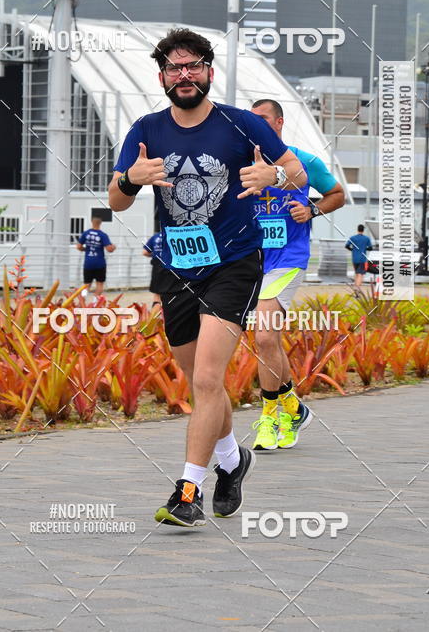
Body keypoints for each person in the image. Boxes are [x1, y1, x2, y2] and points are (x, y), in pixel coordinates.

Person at [108, 27, 306, 527]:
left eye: (194, 65)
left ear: (209, 73)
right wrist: (132, 178)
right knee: (198, 383)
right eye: (176, 68)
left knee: (208, 377)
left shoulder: (241, 125)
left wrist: (273, 177)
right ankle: (233, 461)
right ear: (162, 78)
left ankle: (188, 490)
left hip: (235, 262)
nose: (185, 75)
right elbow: (116, 198)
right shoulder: (147, 128)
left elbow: (297, 171)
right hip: (176, 264)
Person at [249, 99, 345, 451]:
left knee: (262, 337)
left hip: (288, 259)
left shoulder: (304, 161)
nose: (255, 125)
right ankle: (293, 408)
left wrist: (311, 209)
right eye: (250, 120)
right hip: (251, 263)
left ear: (278, 123)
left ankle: (269, 418)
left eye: (262, 120)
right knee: (268, 341)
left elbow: (337, 194)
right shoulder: (240, 163)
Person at [75, 216, 116, 297]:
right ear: (100, 223)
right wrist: (114, 247)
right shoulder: (102, 235)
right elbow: (109, 249)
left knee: (86, 285)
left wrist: (85, 249)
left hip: (88, 263)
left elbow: (78, 246)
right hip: (99, 263)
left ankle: (83, 302)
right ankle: (95, 302)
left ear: (92, 222)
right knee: (100, 284)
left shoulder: (85, 233)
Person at [345, 224, 373, 296]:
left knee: (357, 273)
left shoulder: (352, 238)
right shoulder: (366, 238)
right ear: (363, 230)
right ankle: (357, 288)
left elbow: (347, 246)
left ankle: (356, 286)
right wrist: (364, 249)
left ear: (357, 229)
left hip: (354, 258)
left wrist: (353, 250)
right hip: (362, 259)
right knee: (361, 274)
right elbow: (370, 248)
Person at [143, 230, 164, 308]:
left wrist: (155, 254)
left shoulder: (155, 237)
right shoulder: (174, 235)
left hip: (157, 266)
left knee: (157, 294)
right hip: (171, 267)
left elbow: (145, 252)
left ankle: (155, 317)